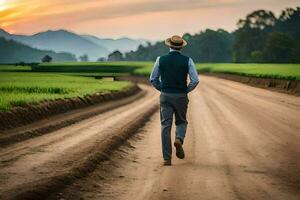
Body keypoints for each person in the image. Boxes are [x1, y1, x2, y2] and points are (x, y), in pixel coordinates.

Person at [149, 35, 199, 166]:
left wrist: (162, 89)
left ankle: (167, 158)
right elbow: (195, 80)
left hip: (165, 95)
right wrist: (186, 90)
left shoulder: (160, 59)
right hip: (181, 96)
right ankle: (179, 139)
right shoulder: (188, 60)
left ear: (169, 45)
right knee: (181, 121)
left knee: (165, 126)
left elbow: (153, 79)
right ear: (181, 47)